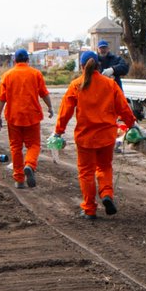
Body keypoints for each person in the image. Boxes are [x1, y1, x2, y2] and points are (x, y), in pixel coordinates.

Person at [54, 51, 136, 220]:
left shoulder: (76, 85)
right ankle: (106, 194)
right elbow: (124, 108)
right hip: (107, 136)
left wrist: (58, 132)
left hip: (85, 138)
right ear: (99, 65)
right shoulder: (110, 84)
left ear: (82, 66)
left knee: (86, 173)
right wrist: (132, 125)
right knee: (104, 167)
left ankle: (89, 209)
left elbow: (65, 112)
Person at [0, 49, 54, 189]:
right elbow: (44, 94)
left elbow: (2, 99)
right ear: (28, 60)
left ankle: (19, 180)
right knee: (33, 145)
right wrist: (50, 107)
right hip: (32, 116)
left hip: (13, 117)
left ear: (14, 60)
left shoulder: (7, 75)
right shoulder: (35, 73)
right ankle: (30, 165)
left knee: (16, 147)